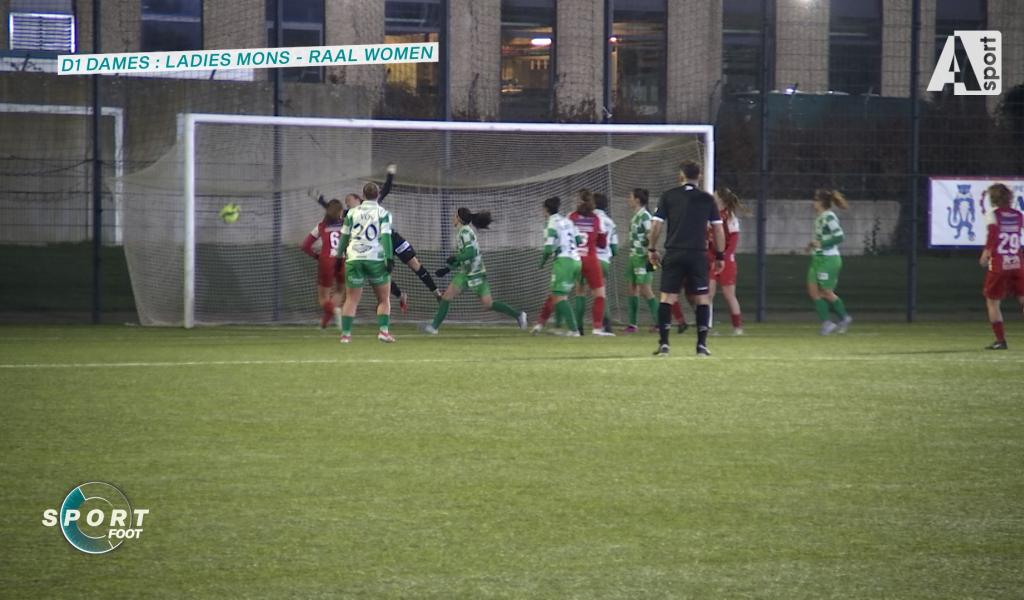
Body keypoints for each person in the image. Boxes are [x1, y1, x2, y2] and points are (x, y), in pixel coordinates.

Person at [647, 160, 725, 356]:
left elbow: (656, 225)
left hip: (674, 252)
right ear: (699, 176)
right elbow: (718, 229)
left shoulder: (669, 196)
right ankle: (701, 345)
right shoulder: (707, 199)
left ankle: (664, 343)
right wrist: (720, 255)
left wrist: (651, 248)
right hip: (698, 254)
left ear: (680, 176)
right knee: (701, 298)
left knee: (667, 298)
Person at [424, 208, 527, 334]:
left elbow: (470, 253)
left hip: (476, 274)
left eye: (455, 215)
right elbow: (464, 256)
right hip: (466, 273)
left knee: (488, 304)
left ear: (459, 219)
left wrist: (455, 257)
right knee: (447, 296)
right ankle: (434, 327)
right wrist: (447, 269)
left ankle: (518, 314)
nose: (453, 217)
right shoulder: (462, 232)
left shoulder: (465, 232)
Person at [338, 182, 395, 343]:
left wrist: (337, 257)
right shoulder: (383, 213)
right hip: (375, 259)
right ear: (378, 195)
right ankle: (383, 332)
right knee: (384, 299)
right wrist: (389, 258)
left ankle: (346, 335)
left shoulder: (351, 213)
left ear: (362, 196)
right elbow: (385, 237)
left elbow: (344, 236)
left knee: (351, 299)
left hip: (354, 258)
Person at [979, 183, 1024, 350]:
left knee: (992, 302)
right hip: (1017, 261)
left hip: (999, 263)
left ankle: (1000, 340)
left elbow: (993, 235)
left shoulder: (993, 215)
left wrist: (986, 254)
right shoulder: (1018, 215)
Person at [533, 196, 583, 336]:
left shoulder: (551, 223)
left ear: (546, 210)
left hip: (564, 261)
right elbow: (579, 240)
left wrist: (542, 263)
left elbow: (548, 248)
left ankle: (574, 330)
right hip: (576, 260)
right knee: (556, 295)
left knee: (559, 297)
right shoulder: (568, 221)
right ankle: (542, 325)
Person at [568, 189, 615, 336]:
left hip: (575, 259)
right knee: (600, 295)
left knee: (579, 293)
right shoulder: (596, 219)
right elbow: (602, 243)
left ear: (578, 201)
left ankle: (577, 328)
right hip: (591, 259)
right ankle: (597, 328)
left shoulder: (571, 217)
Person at [807, 189, 853, 336]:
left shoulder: (829, 216)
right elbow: (820, 238)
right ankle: (827, 323)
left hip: (829, 259)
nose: (813, 203)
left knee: (825, 292)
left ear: (821, 202)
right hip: (817, 259)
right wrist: (812, 245)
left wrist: (821, 243)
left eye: (815, 199)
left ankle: (845, 318)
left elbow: (839, 237)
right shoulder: (820, 217)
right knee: (813, 291)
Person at [301, 198, 346, 329]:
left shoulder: (321, 225)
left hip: (327, 259)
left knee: (323, 298)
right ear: (340, 212)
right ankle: (324, 323)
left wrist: (317, 256)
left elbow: (305, 246)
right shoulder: (346, 224)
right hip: (343, 259)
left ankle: (333, 311)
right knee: (340, 290)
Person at [708, 188, 747, 336]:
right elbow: (709, 239)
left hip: (727, 262)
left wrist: (723, 257)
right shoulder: (711, 216)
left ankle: (737, 327)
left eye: (715, 196)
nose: (713, 197)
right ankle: (706, 326)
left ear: (722, 200)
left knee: (729, 295)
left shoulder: (730, 218)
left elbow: (733, 243)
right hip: (713, 261)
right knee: (708, 294)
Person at [623, 188, 659, 333]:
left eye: (630, 196)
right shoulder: (636, 216)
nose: (628, 199)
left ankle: (659, 323)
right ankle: (633, 324)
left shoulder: (645, 216)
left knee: (645, 289)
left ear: (637, 199)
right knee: (632, 288)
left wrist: (651, 250)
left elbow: (651, 234)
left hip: (643, 257)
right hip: (633, 256)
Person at [593, 192, 618, 333]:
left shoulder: (591, 219)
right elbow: (614, 248)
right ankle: (606, 324)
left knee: (580, 291)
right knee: (602, 293)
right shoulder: (610, 222)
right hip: (604, 260)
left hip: (590, 259)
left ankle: (577, 328)